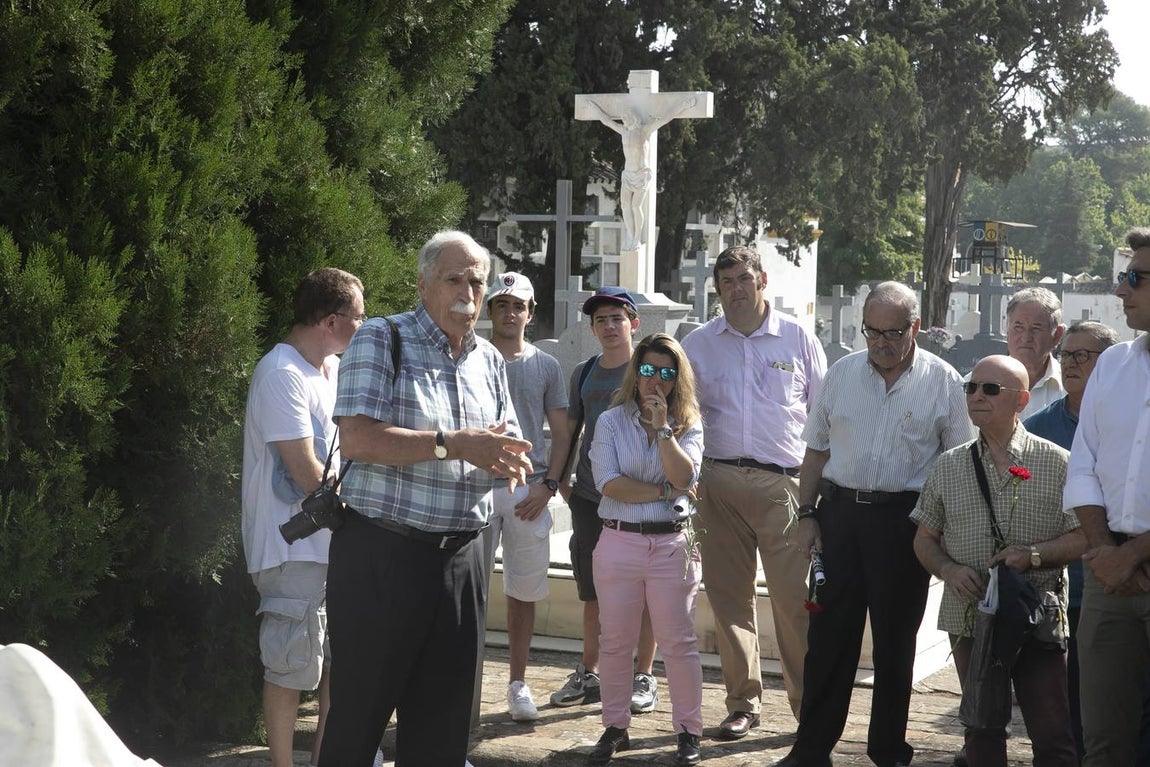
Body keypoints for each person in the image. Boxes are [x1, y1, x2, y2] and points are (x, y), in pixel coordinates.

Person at [317, 231, 532, 767]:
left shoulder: (489, 360)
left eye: (476, 282)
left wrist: (507, 459)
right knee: (357, 724)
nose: (467, 292)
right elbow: (358, 440)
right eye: (453, 279)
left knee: (443, 732)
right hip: (383, 556)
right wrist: (452, 444)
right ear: (423, 284)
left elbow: (502, 443)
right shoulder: (382, 337)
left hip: (463, 559)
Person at [780, 281, 973, 767]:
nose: (881, 343)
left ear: (915, 327)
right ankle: (811, 750)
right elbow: (815, 452)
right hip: (839, 518)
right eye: (872, 331)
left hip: (903, 524)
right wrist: (806, 515)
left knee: (895, 644)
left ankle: (888, 751)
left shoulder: (945, 382)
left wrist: (938, 533)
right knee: (828, 641)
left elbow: (957, 465)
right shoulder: (842, 373)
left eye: (892, 333)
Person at [680, 244, 826, 738]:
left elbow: (822, 417)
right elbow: (684, 414)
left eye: (745, 278)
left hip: (784, 485)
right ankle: (743, 702)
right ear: (717, 290)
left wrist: (817, 497)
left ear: (762, 280)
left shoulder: (797, 338)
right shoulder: (698, 344)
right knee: (728, 600)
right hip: (717, 481)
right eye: (727, 282)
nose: (737, 289)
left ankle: (808, 708)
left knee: (794, 602)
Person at [912, 354, 1082, 767]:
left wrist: (1033, 555)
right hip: (971, 616)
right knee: (981, 730)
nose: (977, 397)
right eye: (971, 387)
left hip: (1035, 615)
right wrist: (948, 570)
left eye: (990, 389)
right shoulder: (949, 465)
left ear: (1021, 400)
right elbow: (924, 539)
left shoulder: (1057, 462)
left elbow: (1085, 535)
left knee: (1053, 733)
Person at [241, 267, 364, 767]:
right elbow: (306, 473)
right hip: (290, 551)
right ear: (331, 321)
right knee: (289, 669)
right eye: (358, 317)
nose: (363, 325)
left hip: (333, 547)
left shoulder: (330, 369)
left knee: (341, 667)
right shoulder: (281, 373)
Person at [585, 333, 706, 767]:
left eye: (667, 373)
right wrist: (664, 490)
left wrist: (663, 431)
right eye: (649, 370)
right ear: (636, 374)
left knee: (679, 642)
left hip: (671, 543)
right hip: (619, 541)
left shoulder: (689, 424)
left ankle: (689, 731)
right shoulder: (610, 422)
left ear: (677, 379)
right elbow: (609, 484)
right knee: (615, 642)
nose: (656, 381)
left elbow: (685, 477)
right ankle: (615, 727)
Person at [551, 287, 661, 717]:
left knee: (647, 590)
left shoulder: (648, 370)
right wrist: (560, 481)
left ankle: (643, 674)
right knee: (592, 589)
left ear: (634, 323)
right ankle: (590, 672)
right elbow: (570, 431)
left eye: (617, 318)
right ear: (593, 328)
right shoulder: (584, 372)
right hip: (590, 498)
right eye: (601, 320)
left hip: (639, 497)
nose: (610, 326)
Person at [1065, 228, 1150, 767]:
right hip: (1107, 579)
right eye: (1123, 277)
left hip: (1125, 562)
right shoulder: (1113, 366)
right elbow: (1084, 466)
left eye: (1134, 278)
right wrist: (1104, 551)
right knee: (1102, 742)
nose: (1121, 290)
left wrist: (1132, 555)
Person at [1023, 321, 1120, 760]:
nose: (1071, 363)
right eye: (1066, 355)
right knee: (1064, 711)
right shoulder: (1039, 427)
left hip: (1121, 582)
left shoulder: (1132, 421)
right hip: (1059, 591)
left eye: (1084, 355)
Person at [482, 272, 572, 722]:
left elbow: (562, 433)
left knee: (523, 592)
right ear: (490, 311)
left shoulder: (546, 366)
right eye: (502, 305)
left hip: (527, 493)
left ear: (530, 313)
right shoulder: (471, 357)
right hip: (476, 489)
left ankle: (518, 683)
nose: (510, 313)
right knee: (466, 590)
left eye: (518, 305)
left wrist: (548, 485)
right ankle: (464, 680)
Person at [584, 97, 697, 251]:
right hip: (627, 175)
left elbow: (665, 118)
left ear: (633, 118)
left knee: (636, 206)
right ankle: (630, 236)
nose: (624, 120)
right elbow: (606, 121)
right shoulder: (624, 132)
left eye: (626, 118)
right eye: (623, 119)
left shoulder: (644, 131)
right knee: (625, 205)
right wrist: (594, 108)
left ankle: (637, 238)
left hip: (641, 175)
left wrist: (683, 105)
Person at [1004, 287, 1065, 418]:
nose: (1026, 338)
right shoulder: (976, 385)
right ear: (1007, 330)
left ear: (1057, 335)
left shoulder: (1071, 389)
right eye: (1019, 327)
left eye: (1036, 328)